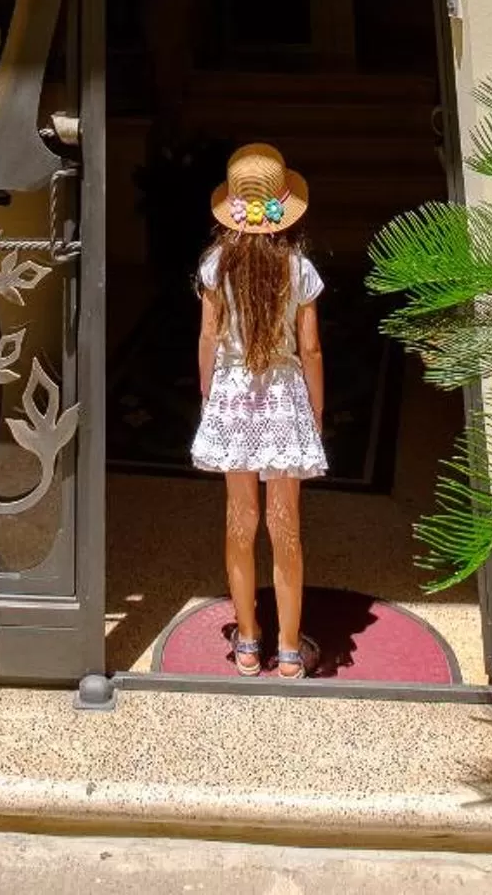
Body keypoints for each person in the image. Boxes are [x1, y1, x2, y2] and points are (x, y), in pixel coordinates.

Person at [190, 141, 327, 677]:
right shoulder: (299, 268)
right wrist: (316, 410)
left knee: (239, 521)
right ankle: (290, 651)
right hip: (283, 397)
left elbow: (208, 337)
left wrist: (208, 392)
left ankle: (247, 641)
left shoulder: (214, 266)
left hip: (233, 395)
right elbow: (310, 349)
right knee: (285, 527)